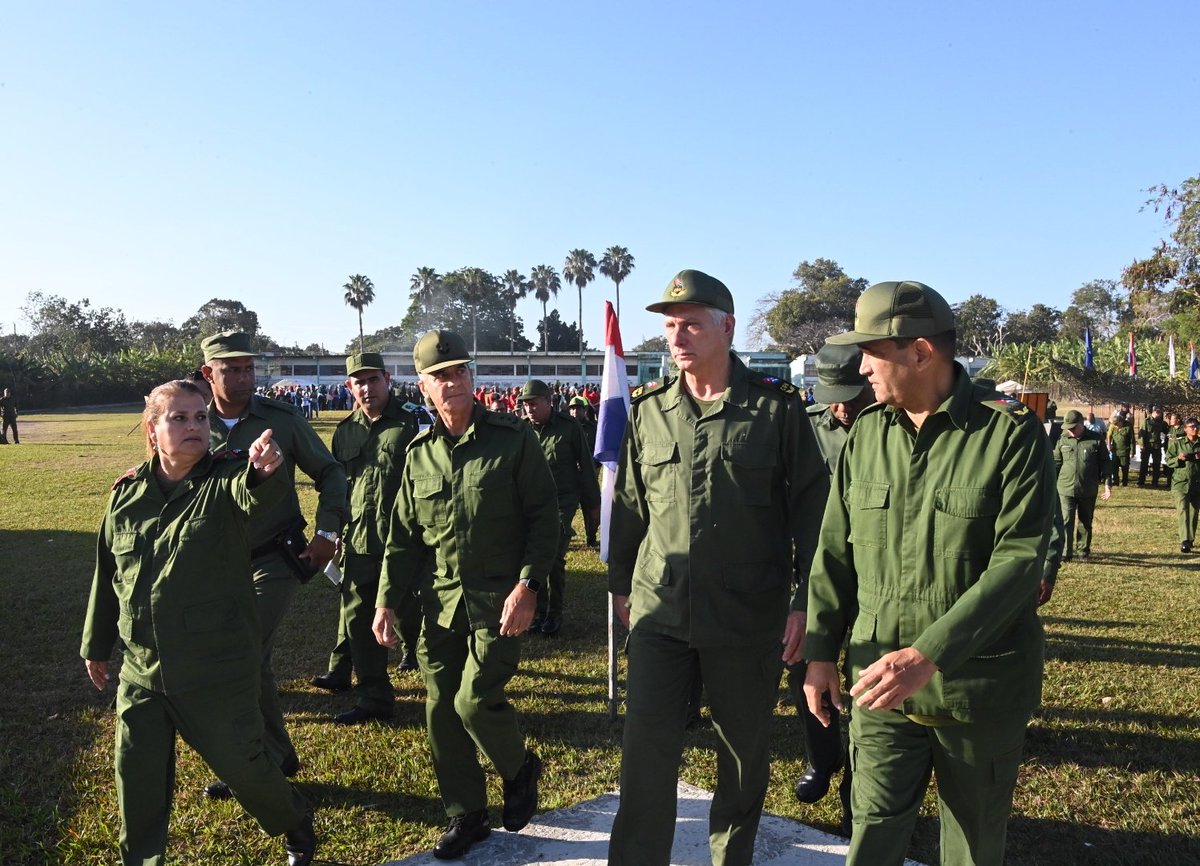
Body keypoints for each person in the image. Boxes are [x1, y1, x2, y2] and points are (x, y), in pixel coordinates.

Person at [804, 280, 1054, 866]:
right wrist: (819, 652)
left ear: (920, 351)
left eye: (874, 351)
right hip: (878, 680)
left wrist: (928, 656)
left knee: (971, 842)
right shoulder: (866, 434)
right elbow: (832, 552)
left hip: (976, 690)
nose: (862, 366)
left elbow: (1018, 563)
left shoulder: (1008, 436)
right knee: (873, 831)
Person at [607, 270, 828, 866]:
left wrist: (806, 600)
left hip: (745, 616)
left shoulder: (776, 413)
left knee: (741, 756)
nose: (677, 337)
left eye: (692, 324)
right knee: (646, 754)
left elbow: (814, 516)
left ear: (727, 328)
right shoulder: (651, 411)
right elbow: (630, 507)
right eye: (671, 326)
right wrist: (620, 587)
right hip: (659, 611)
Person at [80, 379, 317, 866]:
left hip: (215, 667)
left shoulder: (224, 479)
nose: (194, 427)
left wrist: (262, 471)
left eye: (201, 418)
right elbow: (109, 575)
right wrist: (96, 644)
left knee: (243, 764)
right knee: (136, 772)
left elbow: (251, 492)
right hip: (142, 670)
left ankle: (294, 821)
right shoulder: (125, 496)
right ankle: (142, 859)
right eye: (179, 418)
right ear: (152, 430)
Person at [372, 330, 558, 860]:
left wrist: (528, 585)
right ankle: (466, 814)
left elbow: (545, 519)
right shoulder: (419, 454)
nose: (450, 383)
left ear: (471, 377)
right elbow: (403, 538)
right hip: (439, 604)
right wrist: (386, 601)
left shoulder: (513, 439)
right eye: (439, 376)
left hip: (500, 601)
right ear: (423, 386)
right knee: (440, 711)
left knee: (474, 701)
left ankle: (520, 768)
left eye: (458, 372)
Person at [200, 332, 348, 799]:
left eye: (248, 368)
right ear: (209, 374)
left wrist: (327, 533)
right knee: (250, 657)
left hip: (274, 558)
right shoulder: (189, 421)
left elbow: (330, 472)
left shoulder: (280, 420)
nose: (243, 377)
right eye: (231, 369)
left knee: (242, 652)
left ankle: (254, 762)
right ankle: (278, 755)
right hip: (217, 564)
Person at [788, 342, 874, 832]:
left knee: (864, 681)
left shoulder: (890, 423)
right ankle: (823, 758)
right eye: (832, 396)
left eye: (851, 395)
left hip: (871, 569)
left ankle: (854, 794)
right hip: (815, 569)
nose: (841, 407)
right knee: (804, 668)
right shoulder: (807, 425)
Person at [311, 353, 423, 723]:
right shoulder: (345, 431)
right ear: (349, 387)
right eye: (358, 381)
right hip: (361, 541)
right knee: (359, 621)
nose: (367, 388)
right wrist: (334, 532)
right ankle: (374, 696)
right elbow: (338, 488)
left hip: (408, 542)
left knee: (415, 612)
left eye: (373, 379)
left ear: (387, 379)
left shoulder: (414, 421)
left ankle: (432, 675)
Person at [517, 379, 601, 635]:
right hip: (530, 503)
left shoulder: (570, 428)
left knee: (553, 557)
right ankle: (538, 611)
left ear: (548, 401)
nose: (529, 409)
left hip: (562, 501)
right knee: (532, 557)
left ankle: (554, 614)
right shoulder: (520, 431)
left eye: (534, 403)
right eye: (525, 405)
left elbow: (586, 468)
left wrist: (592, 506)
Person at [1054, 409, 1112, 562]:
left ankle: (1083, 551)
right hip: (1065, 488)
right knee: (1066, 521)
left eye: (1073, 427)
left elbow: (1105, 462)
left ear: (1081, 424)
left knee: (1085, 521)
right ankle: (1066, 553)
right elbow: (1056, 463)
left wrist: (1107, 485)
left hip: (1088, 488)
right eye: (1068, 428)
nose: (1070, 431)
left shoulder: (1096, 439)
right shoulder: (1063, 439)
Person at [567, 396, 600, 547]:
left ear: (584, 410)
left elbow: (598, 451)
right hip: (570, 476)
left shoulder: (593, 428)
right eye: (572, 409)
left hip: (588, 475)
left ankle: (591, 539)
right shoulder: (565, 429)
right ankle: (564, 537)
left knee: (589, 509)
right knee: (567, 510)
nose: (574, 412)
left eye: (578, 409)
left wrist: (593, 467)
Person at [1166, 417, 1200, 553]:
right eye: (1192, 426)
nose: (1195, 428)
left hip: (1197, 483)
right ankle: (1184, 540)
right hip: (1180, 483)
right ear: (1185, 429)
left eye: (1197, 426)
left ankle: (1190, 539)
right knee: (1183, 510)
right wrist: (1178, 458)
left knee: (1194, 512)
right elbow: (1168, 460)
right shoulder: (1177, 444)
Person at [1139, 405, 1168, 487]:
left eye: (1160, 412)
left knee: (1156, 464)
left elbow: (1167, 432)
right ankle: (1141, 481)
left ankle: (1155, 482)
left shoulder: (1162, 423)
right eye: (1158, 412)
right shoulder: (1146, 421)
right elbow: (1141, 434)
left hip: (1157, 446)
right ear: (1154, 412)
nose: (1159, 414)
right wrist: (1142, 445)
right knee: (1144, 463)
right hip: (1147, 445)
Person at [1106, 413, 1133, 486]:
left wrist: (1132, 451)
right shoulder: (1113, 425)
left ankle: (1124, 482)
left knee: (1125, 467)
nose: (1116, 426)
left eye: (1117, 424)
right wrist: (1109, 446)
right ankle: (1115, 481)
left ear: (1121, 422)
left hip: (1124, 450)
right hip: (1115, 450)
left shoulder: (1128, 426)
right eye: (1115, 425)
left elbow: (1132, 440)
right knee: (1114, 467)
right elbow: (1109, 435)